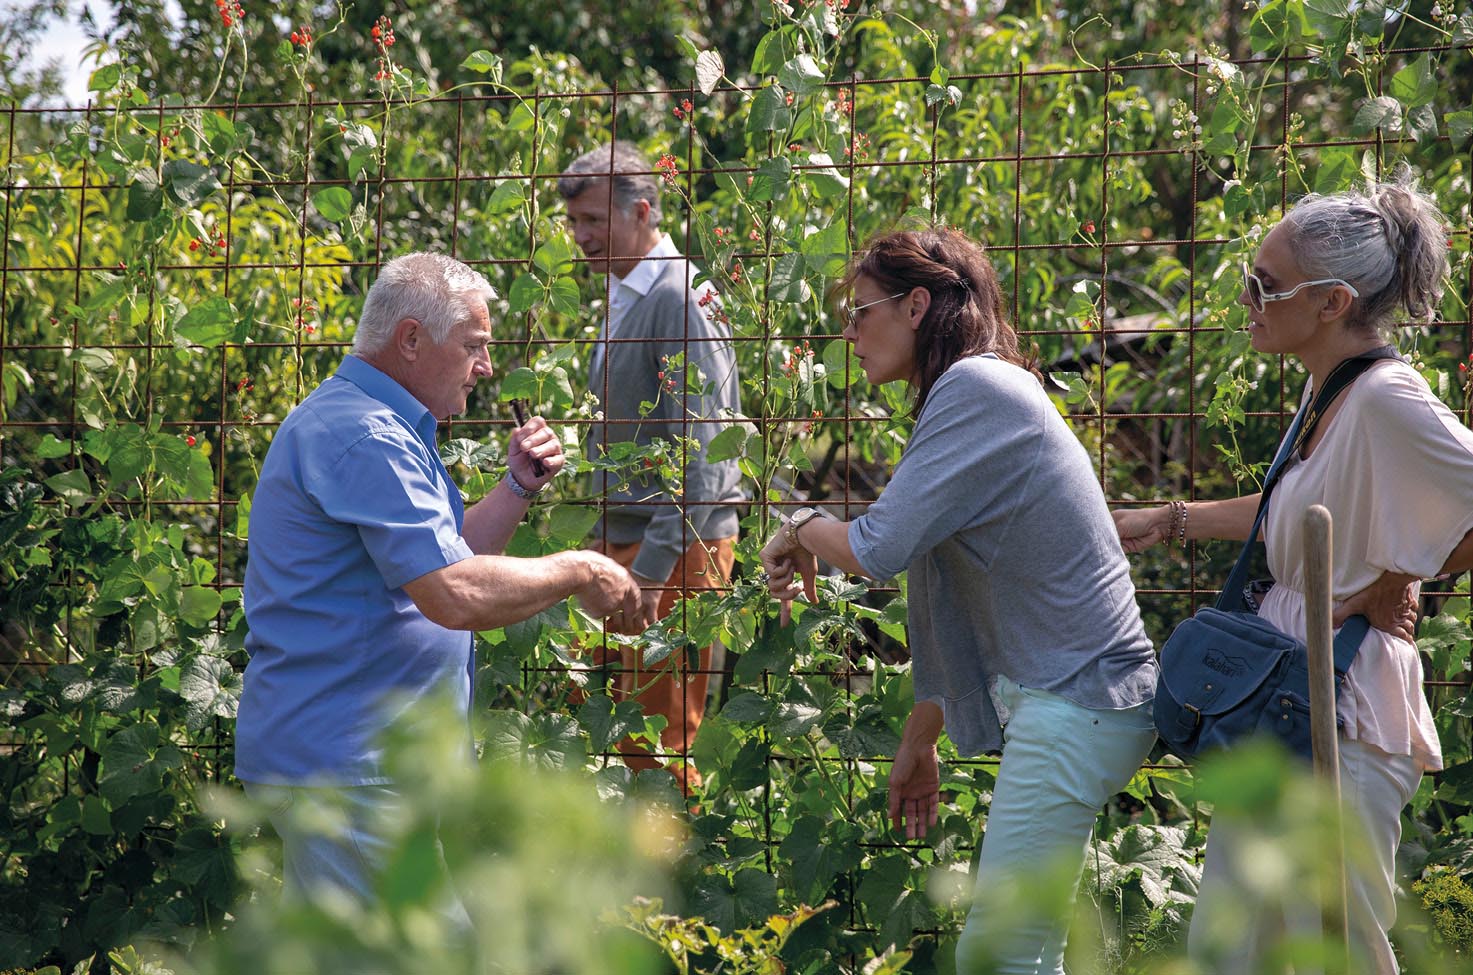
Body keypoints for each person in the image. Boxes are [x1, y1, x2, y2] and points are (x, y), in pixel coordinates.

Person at [760, 228, 1159, 974]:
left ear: (915, 305)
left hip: (1078, 699)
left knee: (999, 954)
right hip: (1083, 700)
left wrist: (796, 524)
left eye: (859, 313)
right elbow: (943, 589)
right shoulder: (973, 389)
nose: (848, 335)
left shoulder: (976, 388)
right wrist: (920, 736)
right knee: (1024, 953)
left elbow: (877, 548)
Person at [1113, 173, 1473, 973]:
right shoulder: (1328, 394)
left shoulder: (1385, 397)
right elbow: (1293, 514)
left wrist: (1391, 581)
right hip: (1288, 690)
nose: (1248, 298)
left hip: (1340, 697)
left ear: (1332, 301)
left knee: (1329, 943)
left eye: (1262, 284)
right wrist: (1167, 518)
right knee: (1238, 942)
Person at [235, 252, 649, 920]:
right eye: (474, 346)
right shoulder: (362, 433)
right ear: (409, 339)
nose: (485, 367)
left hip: (359, 760)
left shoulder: (378, 423)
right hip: (350, 764)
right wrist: (583, 567)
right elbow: (454, 593)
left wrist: (515, 486)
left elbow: (444, 560)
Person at [557, 142, 745, 792]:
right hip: (623, 540)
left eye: (593, 222)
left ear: (641, 211)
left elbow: (701, 446)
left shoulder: (679, 296)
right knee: (597, 719)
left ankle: (675, 884)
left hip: (674, 546)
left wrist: (653, 569)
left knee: (659, 743)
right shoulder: (628, 289)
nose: (581, 237)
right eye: (574, 223)